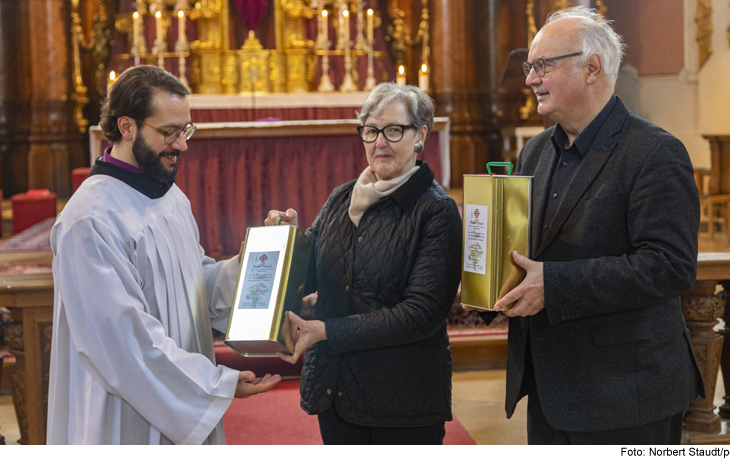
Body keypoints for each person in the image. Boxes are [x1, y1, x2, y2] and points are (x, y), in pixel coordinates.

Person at [487, 6, 704, 444]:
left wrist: (555, 284)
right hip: (550, 386)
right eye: (530, 66)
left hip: (626, 392)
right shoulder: (535, 152)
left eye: (543, 65)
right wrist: (493, 274)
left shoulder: (654, 153)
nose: (530, 78)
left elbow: (669, 267)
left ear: (592, 67)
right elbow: (531, 250)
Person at [48, 65, 280, 445]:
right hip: (123, 415)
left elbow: (192, 288)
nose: (182, 145)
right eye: (169, 133)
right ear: (127, 127)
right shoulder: (89, 219)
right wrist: (213, 382)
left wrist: (256, 262)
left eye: (186, 130)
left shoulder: (169, 197)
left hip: (176, 389)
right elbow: (123, 340)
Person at [266, 83, 462, 444]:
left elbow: (422, 314)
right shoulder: (342, 197)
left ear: (420, 135)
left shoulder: (436, 211)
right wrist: (288, 243)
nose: (379, 142)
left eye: (393, 130)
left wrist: (327, 331)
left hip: (402, 400)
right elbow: (309, 277)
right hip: (335, 391)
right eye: (371, 130)